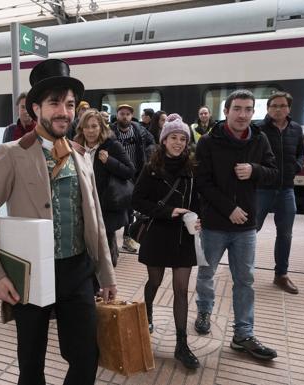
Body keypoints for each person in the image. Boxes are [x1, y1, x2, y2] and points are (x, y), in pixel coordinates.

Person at [0, 58, 117, 385]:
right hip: (30, 274)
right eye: (54, 103)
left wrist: (106, 274)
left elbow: (96, 220)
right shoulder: (10, 154)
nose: (64, 111)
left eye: (70, 104)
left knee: (86, 356)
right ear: (35, 109)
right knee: (31, 365)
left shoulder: (81, 155)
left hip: (78, 271)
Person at [194, 89, 278, 361]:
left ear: (254, 112)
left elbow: (274, 174)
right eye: (237, 109)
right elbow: (202, 183)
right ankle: (204, 310)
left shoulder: (260, 139)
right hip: (215, 224)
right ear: (226, 111)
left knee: (245, 280)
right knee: (207, 273)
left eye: (248, 109)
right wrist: (228, 208)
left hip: (245, 227)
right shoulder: (208, 142)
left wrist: (255, 170)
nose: (243, 114)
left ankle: (243, 334)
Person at [132, 113, 201, 369]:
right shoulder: (152, 168)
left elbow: (199, 200)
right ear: (164, 140)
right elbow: (137, 200)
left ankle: (181, 345)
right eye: (174, 137)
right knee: (155, 281)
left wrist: (200, 217)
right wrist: (167, 211)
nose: (179, 142)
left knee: (181, 289)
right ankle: (147, 311)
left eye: (183, 138)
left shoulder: (192, 169)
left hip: (183, 237)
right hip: (158, 234)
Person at [256, 92, 304, 294]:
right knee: (250, 231)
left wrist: (297, 166)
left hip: (286, 188)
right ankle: (243, 269)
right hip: (262, 189)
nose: (278, 109)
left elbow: (303, 152)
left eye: (282, 105)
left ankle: (281, 275)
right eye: (274, 105)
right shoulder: (258, 129)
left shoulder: (296, 129)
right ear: (268, 108)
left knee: (285, 234)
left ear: (289, 108)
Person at [74, 108, 135, 267]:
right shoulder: (76, 146)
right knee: (86, 248)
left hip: (105, 207)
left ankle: (107, 283)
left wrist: (109, 162)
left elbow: (130, 171)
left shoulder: (112, 145)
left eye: (94, 126)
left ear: (101, 127)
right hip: (83, 205)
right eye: (86, 127)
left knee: (105, 249)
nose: (90, 131)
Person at [111, 104, 147, 253]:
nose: (124, 116)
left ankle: (127, 237)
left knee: (131, 207)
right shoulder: (110, 132)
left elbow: (150, 143)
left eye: (127, 114)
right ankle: (111, 239)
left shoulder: (138, 131)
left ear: (131, 116)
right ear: (117, 115)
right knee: (113, 205)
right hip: (116, 173)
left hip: (134, 174)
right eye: (121, 113)